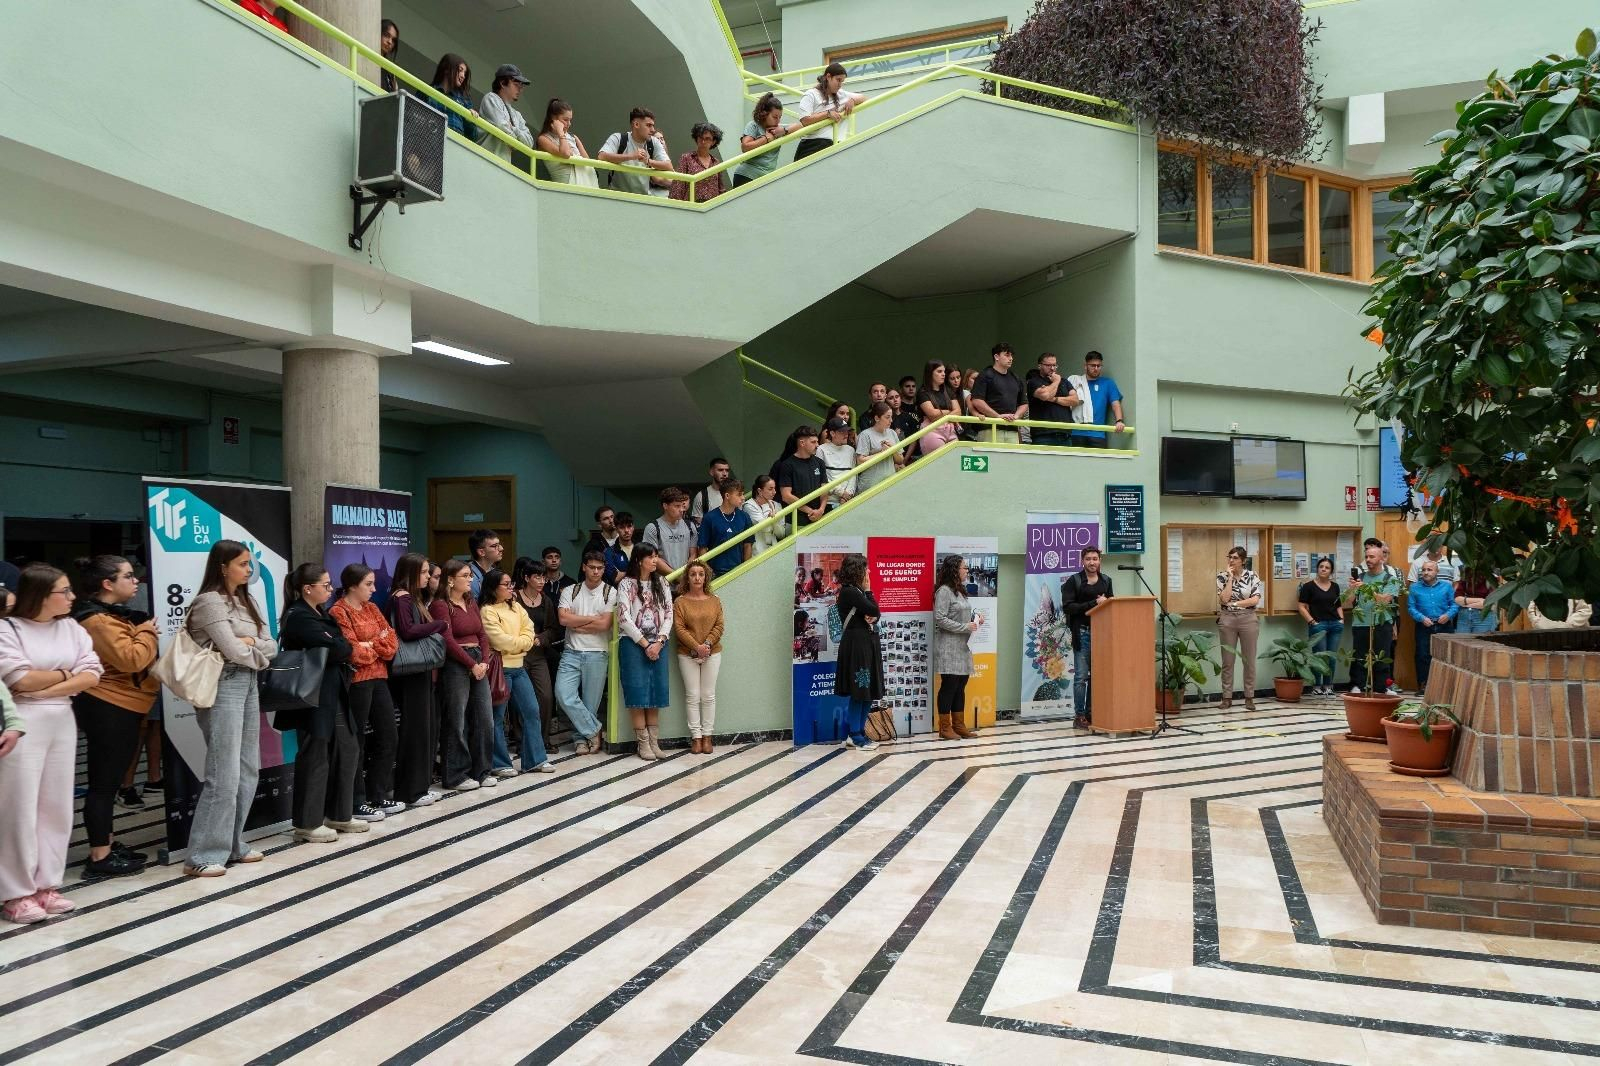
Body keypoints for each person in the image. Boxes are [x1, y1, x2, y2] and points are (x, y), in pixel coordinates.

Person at [0, 565, 102, 921]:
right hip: (22, 722)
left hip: (61, 718)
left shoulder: (71, 628)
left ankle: (47, 885)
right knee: (19, 806)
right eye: (64, 591)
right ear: (41, 594)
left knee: (55, 805)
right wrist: (66, 675)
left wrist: (48, 686)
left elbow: (92, 673)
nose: (72, 597)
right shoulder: (7, 629)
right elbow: (18, 678)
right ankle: (16, 892)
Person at [181, 541, 277, 878]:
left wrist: (251, 646)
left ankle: (233, 843)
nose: (248, 570)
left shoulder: (246, 600)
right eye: (242, 564)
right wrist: (251, 647)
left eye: (250, 564)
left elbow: (271, 644)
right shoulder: (209, 602)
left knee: (248, 768)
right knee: (224, 772)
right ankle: (202, 855)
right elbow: (232, 650)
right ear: (222, 566)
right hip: (222, 685)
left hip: (249, 682)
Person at [70, 555, 159, 877]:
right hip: (109, 705)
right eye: (128, 576)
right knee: (104, 783)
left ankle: (105, 842)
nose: (135, 581)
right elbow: (132, 659)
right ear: (107, 584)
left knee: (108, 779)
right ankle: (99, 857)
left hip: (124, 703)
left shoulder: (112, 617)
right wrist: (148, 631)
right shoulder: (97, 621)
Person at [278, 564, 361, 843]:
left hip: (333, 690)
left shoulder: (320, 613)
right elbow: (340, 647)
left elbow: (340, 644)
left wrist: (342, 646)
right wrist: (343, 646)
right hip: (311, 695)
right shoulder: (298, 616)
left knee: (346, 747)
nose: (329, 589)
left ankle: (339, 813)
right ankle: (307, 821)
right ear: (307, 589)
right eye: (325, 585)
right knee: (315, 755)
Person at [330, 564, 401, 821]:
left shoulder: (372, 608)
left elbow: (391, 644)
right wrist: (372, 645)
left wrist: (369, 644)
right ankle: (357, 800)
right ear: (352, 586)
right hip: (356, 682)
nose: (373, 589)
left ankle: (377, 793)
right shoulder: (339, 611)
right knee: (356, 740)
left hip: (380, 678)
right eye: (368, 584)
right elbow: (352, 652)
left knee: (388, 736)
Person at [387, 553, 447, 810]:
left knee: (425, 728)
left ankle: (419, 786)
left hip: (419, 672)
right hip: (409, 673)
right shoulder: (402, 598)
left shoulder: (414, 598)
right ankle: (410, 789)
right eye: (423, 573)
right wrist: (438, 625)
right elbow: (407, 631)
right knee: (415, 730)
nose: (427, 577)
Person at [481, 568, 555, 775]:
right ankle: (500, 763)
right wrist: (523, 643)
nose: (510, 588)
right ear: (493, 588)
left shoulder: (516, 607)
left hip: (519, 667)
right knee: (497, 717)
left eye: (511, 584)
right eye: (506, 585)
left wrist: (522, 644)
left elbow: (529, 629)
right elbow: (498, 640)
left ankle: (535, 760)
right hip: (500, 669)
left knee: (532, 711)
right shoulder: (487, 610)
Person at [430, 559, 494, 792]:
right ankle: (455, 774)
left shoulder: (470, 600)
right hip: (456, 663)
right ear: (450, 580)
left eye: (470, 575)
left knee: (484, 718)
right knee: (456, 719)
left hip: (479, 661)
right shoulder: (440, 605)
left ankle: (482, 769)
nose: (471, 579)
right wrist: (471, 664)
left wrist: (484, 662)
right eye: (465, 576)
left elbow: (482, 634)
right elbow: (446, 640)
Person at [618, 546, 674, 761]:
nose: (655, 560)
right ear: (639, 560)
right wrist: (645, 644)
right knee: (637, 692)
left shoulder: (662, 582)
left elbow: (669, 614)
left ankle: (654, 742)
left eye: (656, 556)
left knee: (655, 691)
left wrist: (659, 641)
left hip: (659, 643)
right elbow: (623, 617)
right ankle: (642, 743)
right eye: (651, 557)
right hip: (633, 644)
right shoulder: (626, 583)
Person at [556, 552, 615, 754]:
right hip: (571, 652)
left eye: (599, 568)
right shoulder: (570, 591)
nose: (596, 571)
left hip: (598, 653)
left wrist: (578, 621)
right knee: (563, 694)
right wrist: (591, 619)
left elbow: (605, 624)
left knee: (591, 703)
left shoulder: (610, 592)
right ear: (584, 567)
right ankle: (594, 730)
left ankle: (581, 739)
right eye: (592, 567)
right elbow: (563, 620)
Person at [672, 560, 724, 756]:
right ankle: (696, 737)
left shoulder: (715, 600)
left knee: (708, 695)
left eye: (701, 574)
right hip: (687, 654)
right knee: (693, 696)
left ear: (706, 577)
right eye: (693, 574)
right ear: (687, 577)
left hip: (713, 652)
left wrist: (707, 645)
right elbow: (679, 628)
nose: (697, 578)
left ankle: (708, 736)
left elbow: (719, 625)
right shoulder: (680, 602)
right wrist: (696, 647)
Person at [832, 554, 883, 750]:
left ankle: (860, 732)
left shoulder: (856, 592)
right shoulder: (849, 592)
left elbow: (873, 614)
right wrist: (869, 592)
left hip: (866, 643)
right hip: (856, 646)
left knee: (868, 691)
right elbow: (874, 609)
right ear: (857, 571)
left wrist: (873, 617)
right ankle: (854, 735)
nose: (869, 572)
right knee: (860, 690)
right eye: (866, 568)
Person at [512, 557, 560, 751]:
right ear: (526, 578)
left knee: (546, 696)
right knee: (519, 697)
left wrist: (542, 637)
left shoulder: (546, 600)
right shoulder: (514, 598)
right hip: (518, 654)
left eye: (543, 577)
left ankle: (543, 738)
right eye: (537, 577)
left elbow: (553, 628)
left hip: (538, 654)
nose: (542, 581)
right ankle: (520, 739)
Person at [1060, 548, 1112, 728]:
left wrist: (1107, 603)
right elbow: (1068, 607)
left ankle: (1092, 712)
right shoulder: (1073, 581)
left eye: (1095, 559)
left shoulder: (1106, 581)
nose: (1092, 562)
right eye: (1088, 559)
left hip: (1102, 634)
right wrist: (1093, 603)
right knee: (1081, 676)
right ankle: (1079, 716)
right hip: (1082, 632)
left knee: (1096, 676)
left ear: (1100, 561)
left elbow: (1111, 605)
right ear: (1082, 561)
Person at [932, 555, 982, 741]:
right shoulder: (943, 591)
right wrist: (965, 627)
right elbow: (940, 618)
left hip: (963, 646)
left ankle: (959, 726)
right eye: (964, 568)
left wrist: (975, 619)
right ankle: (944, 728)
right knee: (949, 686)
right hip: (948, 647)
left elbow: (962, 612)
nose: (967, 571)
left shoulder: (959, 591)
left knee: (961, 686)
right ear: (954, 570)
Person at [1344, 543, 1402, 695]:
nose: (1368, 560)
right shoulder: (1360, 577)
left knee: (1382, 655)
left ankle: (1383, 687)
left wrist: (1367, 589)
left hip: (1382, 622)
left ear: (1382, 558)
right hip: (1360, 622)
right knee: (1359, 655)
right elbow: (1348, 602)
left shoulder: (1391, 579)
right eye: (1366, 557)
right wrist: (1352, 589)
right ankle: (1357, 685)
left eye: (1372, 557)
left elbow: (1385, 600)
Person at [1215, 545, 1264, 710]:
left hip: (1248, 619)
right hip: (1227, 619)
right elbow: (1223, 599)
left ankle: (1249, 697)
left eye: (1235, 558)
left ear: (1243, 561)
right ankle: (1226, 697)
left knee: (1249, 660)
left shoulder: (1252, 576)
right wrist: (1229, 578)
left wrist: (1235, 604)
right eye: (1229, 557)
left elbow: (1254, 600)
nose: (1231, 560)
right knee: (1227, 661)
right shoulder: (1222, 576)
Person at [794, 62, 865, 162]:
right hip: (812, 144)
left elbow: (863, 97)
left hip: (834, 143)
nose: (840, 84)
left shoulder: (841, 94)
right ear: (828, 76)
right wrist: (827, 114)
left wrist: (852, 100)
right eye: (838, 80)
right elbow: (805, 120)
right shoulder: (811, 94)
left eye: (842, 81)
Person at [598, 107, 673, 197]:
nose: (653, 130)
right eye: (649, 125)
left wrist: (648, 161)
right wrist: (631, 156)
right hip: (616, 197)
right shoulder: (618, 138)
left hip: (642, 199)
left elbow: (668, 166)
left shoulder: (654, 142)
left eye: (653, 125)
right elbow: (601, 156)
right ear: (636, 124)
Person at [1296, 557, 1344, 696]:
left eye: (1327, 567)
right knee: (1319, 657)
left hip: (1335, 624)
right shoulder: (1308, 586)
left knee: (1332, 657)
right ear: (1317, 569)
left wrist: (1341, 619)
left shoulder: (1335, 586)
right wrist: (1312, 622)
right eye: (1321, 566)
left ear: (1331, 571)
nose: (1323, 569)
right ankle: (1317, 685)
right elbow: (1301, 606)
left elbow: (1338, 604)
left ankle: (1328, 685)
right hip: (1318, 625)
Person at [1408, 559, 1457, 692]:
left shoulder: (1447, 586)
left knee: (1446, 655)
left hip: (1444, 625)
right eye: (1423, 570)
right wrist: (1421, 618)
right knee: (1423, 655)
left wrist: (1448, 615)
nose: (1425, 572)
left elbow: (1454, 604)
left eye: (1429, 570)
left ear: (1437, 572)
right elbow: (1411, 608)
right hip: (1424, 625)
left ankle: (1445, 687)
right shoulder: (1414, 588)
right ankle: (1424, 685)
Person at [968, 342, 1028, 441]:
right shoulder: (985, 375)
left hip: (1012, 429)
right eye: (1007, 355)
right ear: (996, 356)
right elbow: (977, 400)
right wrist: (997, 416)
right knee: (990, 456)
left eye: (1011, 355)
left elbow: (1024, 403)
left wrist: (1016, 416)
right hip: (989, 428)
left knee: (1011, 456)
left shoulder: (1017, 378)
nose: (1011, 358)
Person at [732, 93, 793, 189]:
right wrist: (766, 138)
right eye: (774, 117)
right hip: (746, 175)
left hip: (766, 178)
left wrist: (784, 130)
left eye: (779, 117)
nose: (778, 121)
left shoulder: (778, 129)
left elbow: (801, 125)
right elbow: (745, 147)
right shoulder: (753, 125)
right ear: (764, 114)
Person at [535, 97, 599, 188]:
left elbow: (588, 162)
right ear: (553, 118)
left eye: (570, 120)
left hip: (586, 184)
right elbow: (566, 153)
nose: (569, 124)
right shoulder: (543, 139)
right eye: (565, 120)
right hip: (566, 186)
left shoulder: (573, 137)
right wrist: (560, 132)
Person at [478, 64, 535, 167]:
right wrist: (517, 141)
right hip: (484, 159)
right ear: (503, 83)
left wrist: (513, 129)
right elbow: (502, 126)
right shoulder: (491, 98)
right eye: (516, 85)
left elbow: (529, 142)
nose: (520, 90)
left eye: (521, 86)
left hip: (503, 166)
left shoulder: (517, 115)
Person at [696, 479, 754, 577]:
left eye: (743, 494)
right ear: (727, 496)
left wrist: (745, 569)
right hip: (715, 574)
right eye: (739, 494)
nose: (743, 498)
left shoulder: (744, 517)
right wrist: (708, 571)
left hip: (738, 572)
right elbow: (702, 547)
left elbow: (748, 544)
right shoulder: (709, 518)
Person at [1069, 350, 1126, 447]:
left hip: (1098, 434)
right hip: (1076, 432)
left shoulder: (1108, 383)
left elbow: (1115, 404)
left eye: (1098, 366)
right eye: (1092, 365)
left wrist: (1119, 421)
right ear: (1085, 366)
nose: (1096, 368)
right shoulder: (1076, 382)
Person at [776, 425, 830, 527]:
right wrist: (810, 511)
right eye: (813, 442)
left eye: (817, 441)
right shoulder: (787, 465)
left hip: (819, 517)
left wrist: (821, 510)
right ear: (802, 443)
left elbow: (825, 489)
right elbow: (786, 496)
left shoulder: (820, 463)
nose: (817, 445)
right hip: (796, 521)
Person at [1025, 352, 1078, 447]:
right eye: (1048, 365)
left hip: (1065, 434)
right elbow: (1045, 396)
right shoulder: (1034, 381)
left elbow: (1075, 400)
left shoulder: (1065, 381)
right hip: (1043, 435)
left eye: (1054, 365)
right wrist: (1056, 381)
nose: (1052, 368)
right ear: (1040, 366)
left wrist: (1054, 399)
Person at [642, 487, 697, 572]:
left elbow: (693, 554)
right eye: (677, 506)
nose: (681, 510)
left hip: (685, 579)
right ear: (665, 506)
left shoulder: (690, 526)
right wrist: (677, 577)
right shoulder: (652, 528)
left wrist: (686, 577)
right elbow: (652, 558)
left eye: (682, 505)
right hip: (662, 581)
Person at [669, 122, 726, 203]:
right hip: (691, 206)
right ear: (696, 138)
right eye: (700, 137)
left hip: (712, 207)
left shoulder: (716, 162)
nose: (703, 142)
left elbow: (721, 188)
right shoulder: (687, 158)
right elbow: (678, 185)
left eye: (707, 139)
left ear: (713, 141)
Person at [428, 54, 479, 141]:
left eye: (465, 73)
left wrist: (470, 120)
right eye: (460, 70)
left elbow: (474, 137)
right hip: (431, 141)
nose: (463, 76)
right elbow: (415, 120)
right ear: (447, 69)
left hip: (455, 144)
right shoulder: (428, 91)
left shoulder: (465, 101)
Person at [855, 401, 903, 493]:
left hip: (889, 481)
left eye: (891, 417)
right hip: (870, 484)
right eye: (887, 417)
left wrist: (892, 450)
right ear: (877, 418)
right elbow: (860, 461)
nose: (891, 420)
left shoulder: (892, 433)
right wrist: (882, 453)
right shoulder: (865, 435)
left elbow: (900, 460)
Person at [916, 360, 961, 455]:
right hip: (932, 430)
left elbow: (958, 412)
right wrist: (948, 412)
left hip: (950, 430)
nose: (943, 374)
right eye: (939, 371)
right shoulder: (923, 392)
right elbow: (932, 414)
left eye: (944, 371)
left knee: (955, 460)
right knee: (938, 465)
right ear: (930, 373)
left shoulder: (947, 390)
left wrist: (941, 413)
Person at [818, 418, 859, 507]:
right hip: (827, 502)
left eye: (847, 431)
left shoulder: (851, 450)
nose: (846, 435)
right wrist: (841, 493)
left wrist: (847, 495)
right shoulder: (821, 449)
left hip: (847, 500)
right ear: (832, 433)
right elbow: (822, 477)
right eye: (842, 432)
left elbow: (853, 474)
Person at [744, 476, 788, 552]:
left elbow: (781, 534)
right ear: (759, 491)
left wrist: (773, 520)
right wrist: (771, 518)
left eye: (774, 488)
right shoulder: (748, 506)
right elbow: (766, 528)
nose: (774, 492)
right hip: (756, 552)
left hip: (773, 550)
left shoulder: (777, 505)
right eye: (770, 489)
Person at [1454, 569, 1499, 634]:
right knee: (1461, 642)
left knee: (1481, 642)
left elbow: (1489, 604)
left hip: (1483, 617)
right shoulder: (1465, 579)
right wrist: (1480, 600)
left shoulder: (1492, 579)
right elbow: (1457, 599)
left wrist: (1465, 603)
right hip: (1464, 616)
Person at [466, 529, 503, 599]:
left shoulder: (495, 572)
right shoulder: (468, 576)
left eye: (499, 545)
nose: (501, 548)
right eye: (495, 546)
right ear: (481, 552)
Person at [602, 513, 637, 586]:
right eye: (622, 527)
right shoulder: (609, 552)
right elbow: (615, 579)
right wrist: (637, 570)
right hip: (619, 593)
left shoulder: (641, 549)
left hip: (641, 592)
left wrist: (623, 573)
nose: (626, 530)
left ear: (633, 527)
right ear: (616, 529)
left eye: (629, 526)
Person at [378, 18, 400, 93]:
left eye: (393, 40)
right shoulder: (366, 56)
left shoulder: (389, 73)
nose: (390, 42)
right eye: (386, 35)